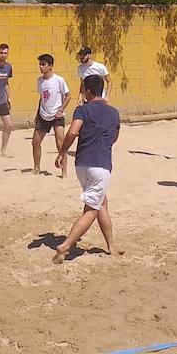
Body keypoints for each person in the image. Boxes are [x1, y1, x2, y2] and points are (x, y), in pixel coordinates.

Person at [53, 74, 122, 263]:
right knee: (92, 208)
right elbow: (115, 138)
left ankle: (110, 245)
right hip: (100, 165)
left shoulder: (82, 110)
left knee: (101, 203)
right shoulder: (114, 112)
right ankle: (66, 245)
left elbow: (74, 131)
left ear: (88, 91)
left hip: (82, 164)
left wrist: (62, 152)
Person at [32, 53, 70, 178]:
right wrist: (37, 114)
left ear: (50, 66)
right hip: (43, 115)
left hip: (57, 116)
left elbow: (68, 96)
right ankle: (37, 167)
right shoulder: (39, 81)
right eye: (40, 64)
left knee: (60, 144)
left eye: (43, 64)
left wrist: (61, 110)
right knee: (35, 142)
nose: (41, 67)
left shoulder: (59, 80)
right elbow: (41, 98)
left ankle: (64, 172)